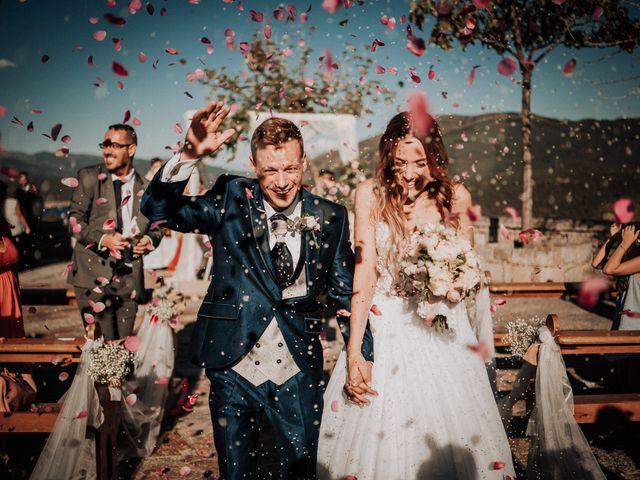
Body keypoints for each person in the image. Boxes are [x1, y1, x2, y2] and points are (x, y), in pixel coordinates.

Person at [140, 101, 374, 480]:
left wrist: (361, 354)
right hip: (232, 364)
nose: (282, 181)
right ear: (253, 167)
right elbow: (159, 212)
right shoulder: (231, 198)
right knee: (237, 473)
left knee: (300, 471)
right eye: (270, 171)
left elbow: (345, 293)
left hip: (299, 367)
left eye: (290, 168)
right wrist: (189, 155)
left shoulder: (331, 215)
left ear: (303, 161)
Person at [317, 112, 515, 479]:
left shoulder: (455, 197)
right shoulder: (369, 196)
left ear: (434, 158)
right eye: (399, 163)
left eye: (419, 163)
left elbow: (467, 270)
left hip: (441, 331)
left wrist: (448, 280)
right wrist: (355, 350)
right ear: (387, 159)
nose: (409, 174)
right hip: (386, 327)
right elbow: (364, 272)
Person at [67, 124, 163, 340]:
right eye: (105, 144)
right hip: (93, 276)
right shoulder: (89, 177)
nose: (107, 150)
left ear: (131, 149)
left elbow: (157, 229)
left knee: (122, 352)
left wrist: (148, 240)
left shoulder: (147, 188)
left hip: (130, 278)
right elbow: (74, 221)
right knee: (102, 351)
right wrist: (103, 239)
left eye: (114, 145)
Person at [603, 224, 640, 330]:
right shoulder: (630, 259)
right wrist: (614, 238)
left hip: (634, 330)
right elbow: (597, 264)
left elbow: (609, 269)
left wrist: (625, 243)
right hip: (623, 328)